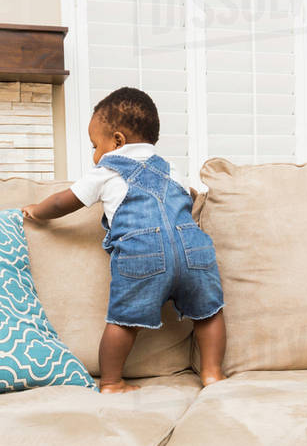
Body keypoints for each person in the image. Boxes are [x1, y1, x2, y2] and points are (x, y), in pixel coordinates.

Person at [22, 87, 226, 393]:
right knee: (209, 314)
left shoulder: (106, 171)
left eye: (95, 145)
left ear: (117, 141)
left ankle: (112, 382)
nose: (94, 154)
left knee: (123, 322)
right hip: (194, 250)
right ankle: (212, 374)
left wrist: (37, 211)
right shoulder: (172, 169)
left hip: (142, 254)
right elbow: (188, 199)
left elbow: (64, 202)